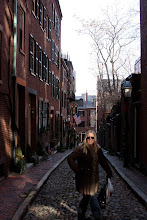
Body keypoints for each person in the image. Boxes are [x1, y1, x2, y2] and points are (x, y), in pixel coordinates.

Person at [67, 130, 112, 220]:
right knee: (93, 200)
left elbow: (103, 161)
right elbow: (70, 158)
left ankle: (81, 215)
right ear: (85, 138)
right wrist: (77, 170)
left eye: (92, 137)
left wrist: (109, 171)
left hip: (93, 179)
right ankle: (97, 217)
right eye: (88, 137)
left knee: (86, 199)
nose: (90, 139)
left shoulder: (97, 149)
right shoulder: (81, 148)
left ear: (95, 138)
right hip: (84, 180)